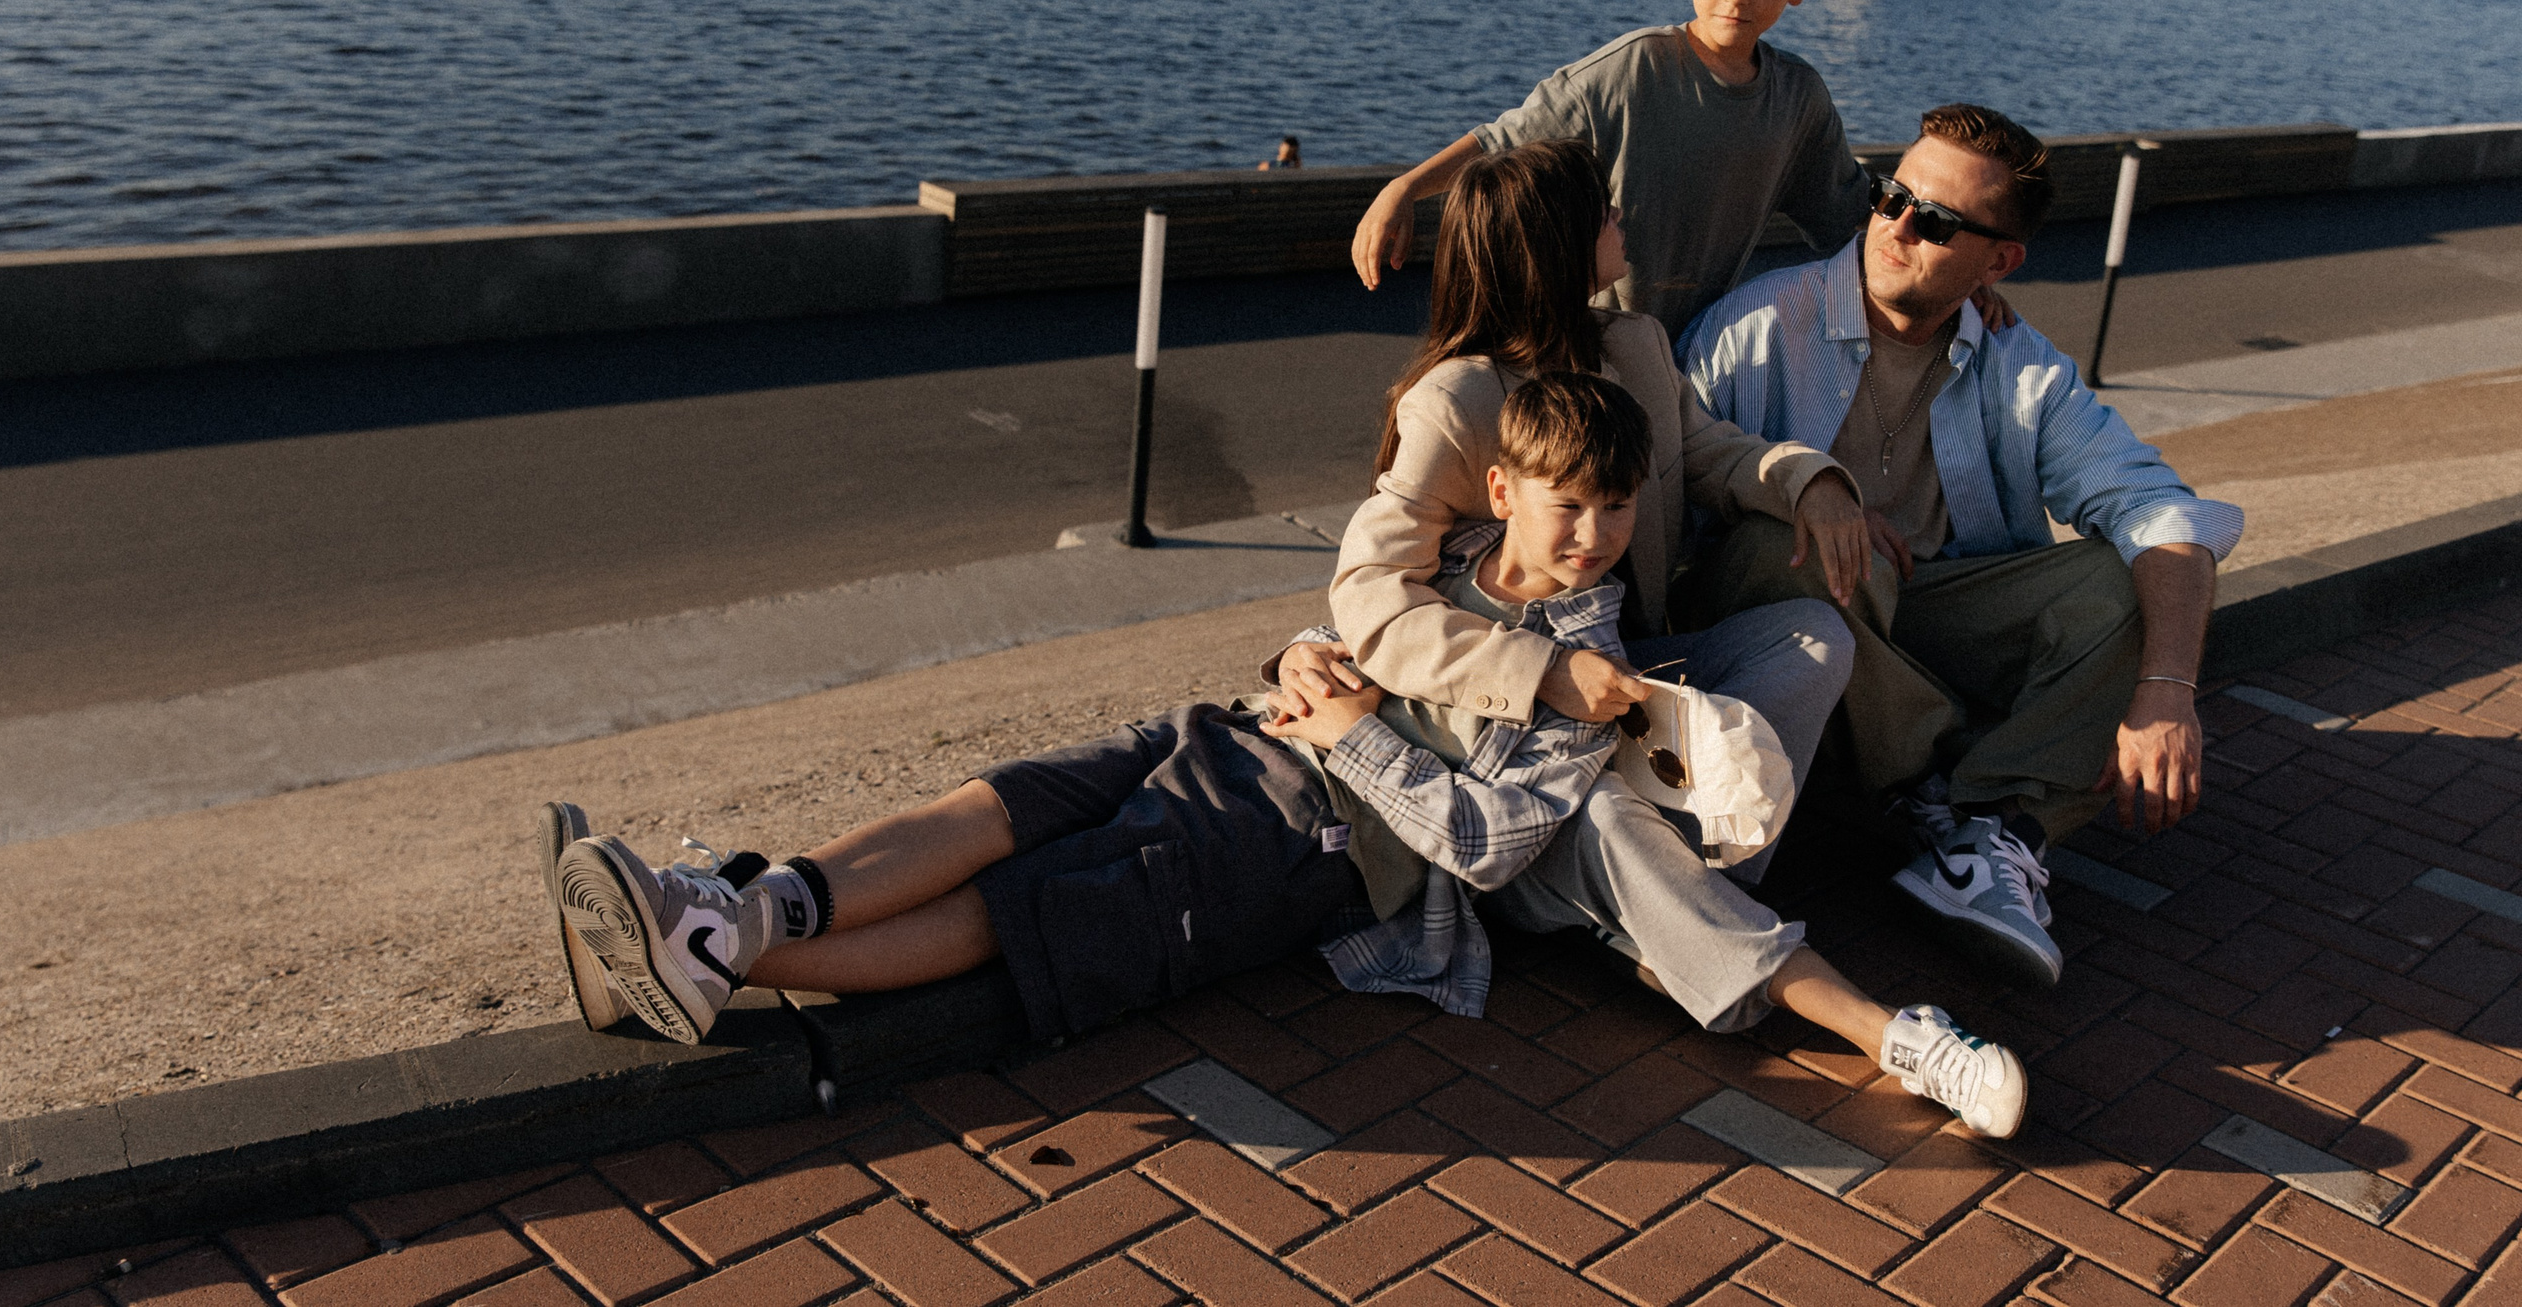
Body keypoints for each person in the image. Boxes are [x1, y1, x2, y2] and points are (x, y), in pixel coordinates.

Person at [544, 374, 2029, 1137]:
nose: (1589, 534)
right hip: (1225, 740)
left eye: (1615, 511)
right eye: (1564, 503)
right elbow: (1352, 636)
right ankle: (742, 906)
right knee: (1001, 802)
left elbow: (1488, 844)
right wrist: (1304, 667)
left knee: (1037, 914)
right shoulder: (1434, 570)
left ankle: (717, 958)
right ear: (1501, 486)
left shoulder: (1591, 680)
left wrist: (1362, 733)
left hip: (1316, 849)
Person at [1678, 104, 2244, 991]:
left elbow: (2158, 510)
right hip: (1786, 639)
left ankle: (1989, 832)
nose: (1898, 227)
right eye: (1888, 196)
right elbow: (1670, 502)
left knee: (2130, 579)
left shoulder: (2024, 364)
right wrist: (1801, 489)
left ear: (2000, 261)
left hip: (1935, 618)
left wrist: (2168, 693)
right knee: (1805, 547)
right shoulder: (1753, 330)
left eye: (1936, 222)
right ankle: (1958, 795)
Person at [1297, 137, 1871, 892]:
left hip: (1632, 665)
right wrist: (1546, 673)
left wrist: (1810, 481)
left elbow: (1709, 452)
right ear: (1556, 244)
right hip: (1520, 720)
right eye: (1602, 209)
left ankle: (1721, 868)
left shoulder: (1635, 345)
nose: (1620, 216)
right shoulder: (1453, 403)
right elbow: (1371, 590)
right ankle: (1644, 889)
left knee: (1815, 639)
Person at [1349, 0, 1870, 341]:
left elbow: (1847, 225)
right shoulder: (1633, 68)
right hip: (1596, 340)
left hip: (1709, 353)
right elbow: (1506, 141)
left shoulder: (1798, 99)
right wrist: (1406, 187)